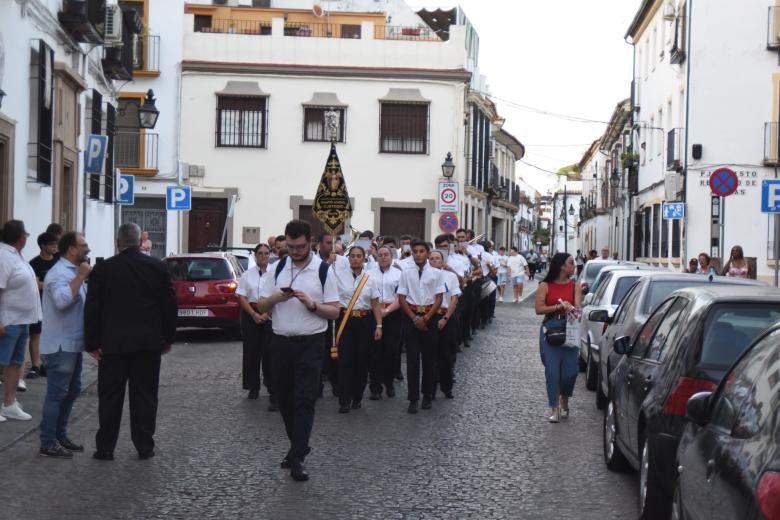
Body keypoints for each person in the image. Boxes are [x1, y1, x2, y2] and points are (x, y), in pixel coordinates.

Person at [85, 223, 177, 461]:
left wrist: (91, 342)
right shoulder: (157, 267)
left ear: (118, 243)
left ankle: (105, 447)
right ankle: (144, 446)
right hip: (147, 344)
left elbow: (92, 307)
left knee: (110, 398)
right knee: (145, 396)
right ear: (139, 242)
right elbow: (169, 306)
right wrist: (168, 338)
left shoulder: (104, 270)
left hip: (113, 344)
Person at [256, 220, 340, 482]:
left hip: (310, 344)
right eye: (290, 247)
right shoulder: (277, 267)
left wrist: (312, 304)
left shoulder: (323, 270)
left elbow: (335, 311)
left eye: (300, 247)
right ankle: (297, 447)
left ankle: (298, 459)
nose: (294, 251)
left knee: (305, 400)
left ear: (310, 242)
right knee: (284, 400)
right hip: (280, 342)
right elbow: (260, 307)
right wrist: (276, 299)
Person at [38, 232, 91, 458]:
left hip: (72, 343)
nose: (87, 249)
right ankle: (47, 442)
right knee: (57, 394)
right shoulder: (59, 274)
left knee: (72, 390)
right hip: (60, 346)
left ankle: (59, 435)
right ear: (71, 249)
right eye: (83, 245)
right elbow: (61, 303)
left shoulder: (71, 272)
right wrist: (80, 278)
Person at [332, 246, 382, 413]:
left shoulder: (370, 279)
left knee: (362, 360)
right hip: (345, 319)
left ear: (364, 258)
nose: (355, 259)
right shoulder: (338, 276)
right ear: (348, 258)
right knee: (345, 360)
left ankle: (357, 396)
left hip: (365, 321)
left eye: (358, 256)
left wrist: (379, 325)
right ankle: (344, 400)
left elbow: (375, 304)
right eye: (352, 256)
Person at [397, 240, 445, 414]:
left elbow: (439, 298)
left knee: (429, 359)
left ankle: (427, 395)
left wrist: (426, 318)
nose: (418, 254)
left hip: (429, 316)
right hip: (411, 316)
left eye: (421, 251)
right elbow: (401, 297)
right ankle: (413, 398)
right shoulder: (406, 273)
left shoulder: (436, 273)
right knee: (412, 360)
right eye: (415, 251)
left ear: (427, 252)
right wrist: (414, 318)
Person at [0, 220, 40, 422]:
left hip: (22, 320)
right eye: (26, 234)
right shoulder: (3, 256)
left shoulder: (15, 255)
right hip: (8, 320)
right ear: (21, 237)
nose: (27, 237)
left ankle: (9, 403)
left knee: (16, 363)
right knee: (1, 362)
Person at [534, 253, 581, 424]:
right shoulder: (545, 285)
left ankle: (565, 398)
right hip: (551, 330)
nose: (574, 266)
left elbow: (579, 310)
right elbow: (538, 309)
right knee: (552, 372)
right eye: (571, 263)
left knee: (570, 373)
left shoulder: (575, 286)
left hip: (570, 329)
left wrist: (573, 310)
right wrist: (558, 307)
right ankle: (554, 407)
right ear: (562, 266)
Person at [237, 244, 276, 407]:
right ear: (255, 255)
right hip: (250, 315)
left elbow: (277, 295)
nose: (263, 256)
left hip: (270, 315)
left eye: (266, 253)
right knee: (251, 352)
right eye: (260, 253)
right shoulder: (246, 275)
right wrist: (253, 314)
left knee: (270, 353)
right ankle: (253, 387)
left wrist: (266, 314)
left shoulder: (275, 274)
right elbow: (241, 296)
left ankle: (271, 385)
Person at [369, 245, 401, 400]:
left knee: (390, 351)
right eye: (380, 254)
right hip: (374, 313)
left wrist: (387, 311)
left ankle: (389, 383)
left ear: (391, 256)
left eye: (386, 254)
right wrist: (377, 312)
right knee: (375, 352)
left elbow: (401, 297)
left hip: (393, 313)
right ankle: (375, 387)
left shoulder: (399, 273)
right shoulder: (368, 274)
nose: (383, 257)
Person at [27, 232, 59, 379]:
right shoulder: (34, 263)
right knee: (36, 333)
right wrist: (51, 285)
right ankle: (35, 365)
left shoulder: (59, 261)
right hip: (38, 303)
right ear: (43, 246)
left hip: (56, 304)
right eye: (52, 244)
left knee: (52, 334)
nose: (55, 247)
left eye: (56, 244)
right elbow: (36, 284)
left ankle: (48, 363)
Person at [428, 251, 460, 399]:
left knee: (446, 355)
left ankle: (447, 387)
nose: (434, 261)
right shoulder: (425, 276)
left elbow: (454, 299)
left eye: (437, 259)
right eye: (431, 259)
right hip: (429, 316)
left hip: (446, 316)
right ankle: (430, 389)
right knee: (431, 355)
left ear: (442, 261)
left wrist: (446, 318)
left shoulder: (451, 276)